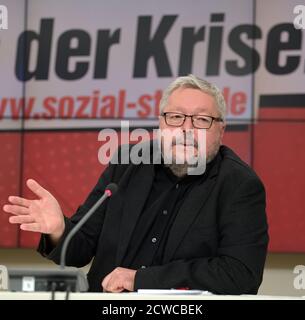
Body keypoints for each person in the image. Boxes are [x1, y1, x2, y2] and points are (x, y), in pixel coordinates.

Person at [3, 75, 269, 294]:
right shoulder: (127, 164)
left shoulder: (239, 184)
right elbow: (79, 250)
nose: (187, 128)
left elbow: (240, 274)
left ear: (221, 130)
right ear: (161, 123)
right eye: (176, 117)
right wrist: (60, 231)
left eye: (201, 119)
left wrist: (140, 279)